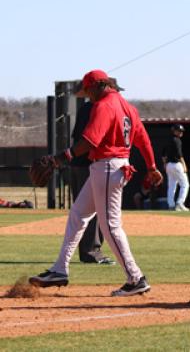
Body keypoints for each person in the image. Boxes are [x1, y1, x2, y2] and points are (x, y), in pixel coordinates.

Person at [29, 69, 163, 296]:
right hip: (111, 166)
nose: (87, 96)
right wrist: (151, 166)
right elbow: (143, 139)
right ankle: (60, 269)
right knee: (78, 215)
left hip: (108, 166)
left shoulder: (103, 106)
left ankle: (136, 277)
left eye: (88, 90)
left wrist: (60, 159)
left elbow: (90, 141)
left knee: (110, 226)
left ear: (98, 86)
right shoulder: (128, 108)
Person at [70, 92, 114, 265]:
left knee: (94, 211)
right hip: (86, 165)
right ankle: (91, 251)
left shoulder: (88, 108)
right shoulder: (96, 108)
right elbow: (89, 140)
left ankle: (93, 250)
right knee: (91, 211)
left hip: (83, 164)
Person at [162, 124, 190, 211]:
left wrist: (165, 164)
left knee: (171, 186)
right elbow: (179, 154)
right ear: (174, 131)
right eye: (179, 131)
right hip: (177, 164)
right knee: (185, 184)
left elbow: (163, 154)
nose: (181, 132)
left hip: (169, 165)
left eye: (181, 131)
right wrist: (184, 165)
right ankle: (180, 203)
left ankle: (171, 205)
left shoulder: (168, 140)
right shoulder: (177, 140)